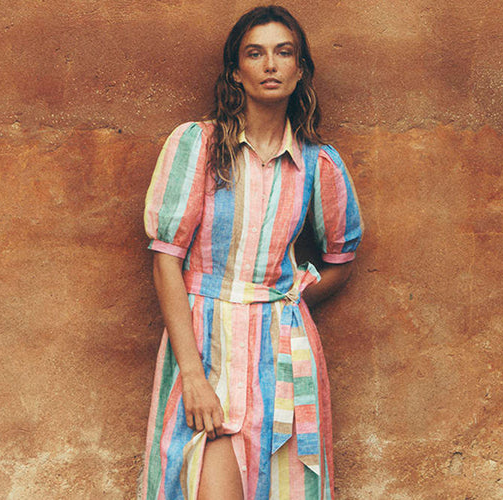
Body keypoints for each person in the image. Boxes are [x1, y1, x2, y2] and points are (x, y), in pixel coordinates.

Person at [138, 5, 363, 499]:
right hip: (206, 345)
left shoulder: (318, 164)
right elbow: (165, 263)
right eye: (255, 53)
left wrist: (288, 303)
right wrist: (193, 377)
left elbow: (341, 258)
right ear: (235, 72)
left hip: (283, 352)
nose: (270, 65)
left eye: (284, 53)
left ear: (300, 69)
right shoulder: (198, 145)